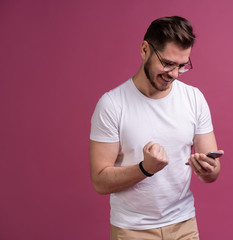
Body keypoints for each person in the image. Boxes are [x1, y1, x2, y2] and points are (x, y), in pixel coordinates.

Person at [89, 16, 223, 240]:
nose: (174, 74)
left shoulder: (194, 98)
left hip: (184, 224)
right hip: (132, 230)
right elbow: (100, 182)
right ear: (144, 50)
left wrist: (209, 169)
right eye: (168, 63)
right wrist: (145, 169)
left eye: (182, 66)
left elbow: (214, 171)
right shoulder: (112, 104)